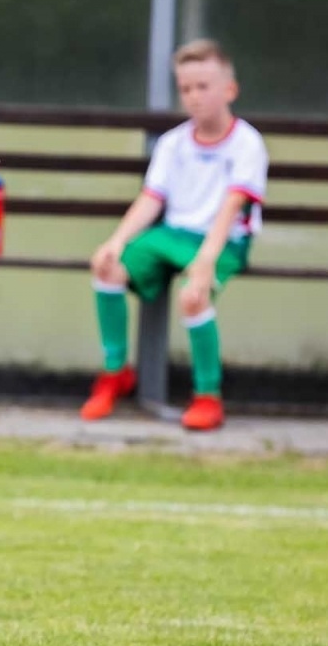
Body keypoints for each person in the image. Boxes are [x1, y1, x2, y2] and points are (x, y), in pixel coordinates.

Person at [81, 39, 269, 431]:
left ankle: (207, 396)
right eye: (185, 88)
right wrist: (116, 241)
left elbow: (232, 207)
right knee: (107, 268)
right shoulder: (172, 143)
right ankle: (116, 371)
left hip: (223, 242)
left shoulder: (247, 144)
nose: (194, 96)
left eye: (203, 86)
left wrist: (205, 262)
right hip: (172, 234)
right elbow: (151, 199)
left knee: (192, 295)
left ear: (229, 90)